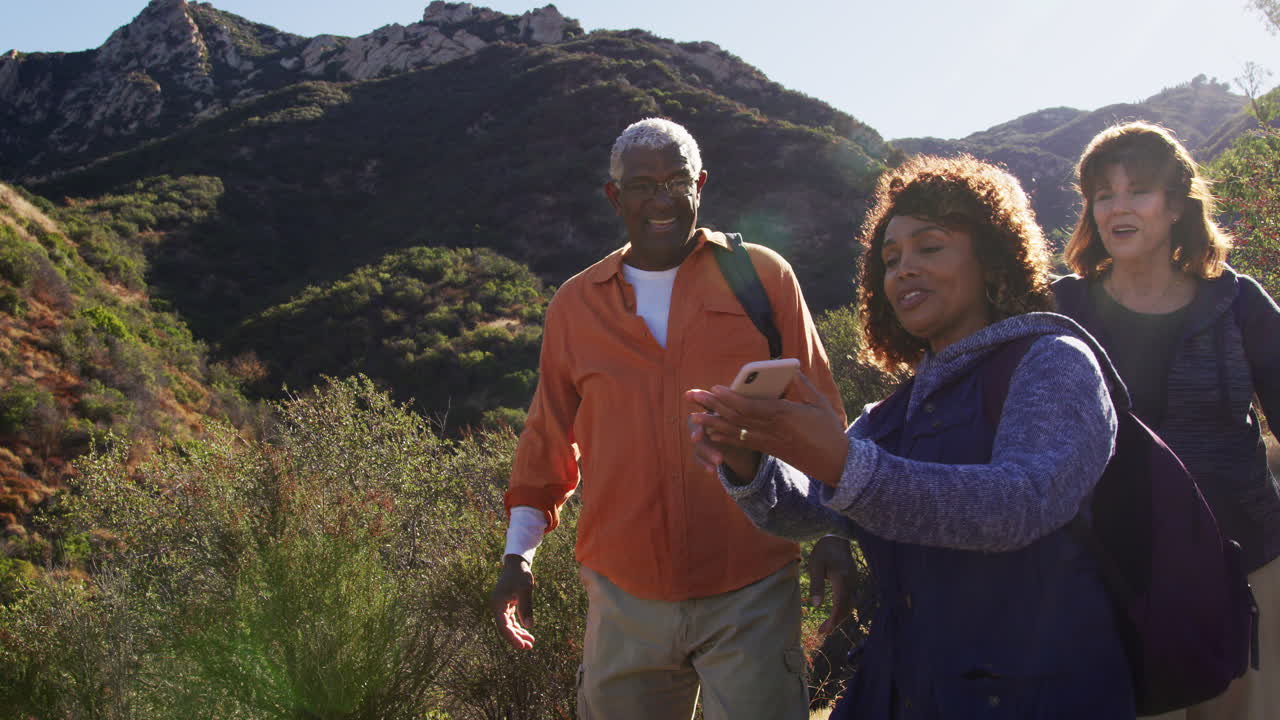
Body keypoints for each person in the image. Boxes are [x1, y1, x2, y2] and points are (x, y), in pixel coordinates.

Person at [687, 155, 1137, 719]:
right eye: (890, 258)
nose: (902, 270)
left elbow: (1020, 504)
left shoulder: (1053, 363)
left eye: (930, 247)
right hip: (902, 688)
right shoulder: (897, 409)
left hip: (1034, 694)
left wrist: (844, 463)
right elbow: (818, 512)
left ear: (993, 258)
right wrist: (751, 463)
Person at [487, 117, 847, 720]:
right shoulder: (577, 305)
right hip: (625, 595)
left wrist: (835, 528)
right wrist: (518, 555)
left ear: (700, 184)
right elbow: (548, 439)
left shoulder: (761, 278)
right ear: (614, 195)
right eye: (642, 185)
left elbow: (822, 417)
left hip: (751, 585)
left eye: (676, 181)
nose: (661, 200)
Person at [1054, 120, 1280, 720]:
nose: (1117, 208)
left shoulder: (1239, 303)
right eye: (1104, 194)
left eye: (1138, 191)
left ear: (1177, 204)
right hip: (1109, 576)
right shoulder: (1060, 308)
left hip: (1245, 568)